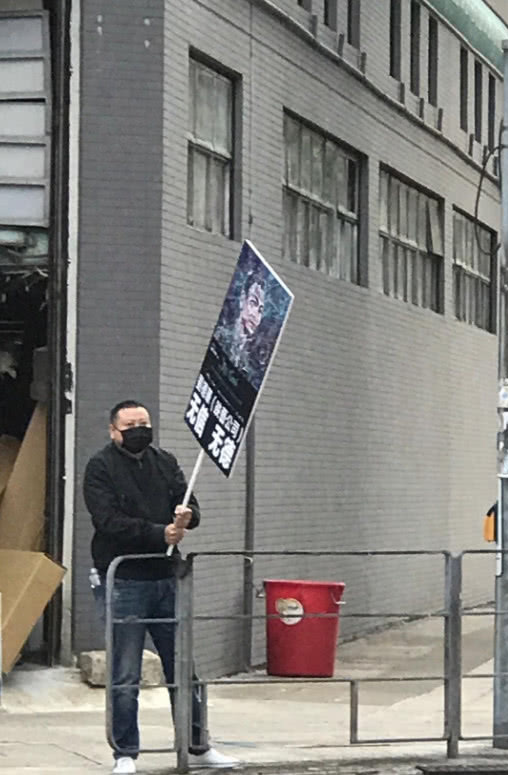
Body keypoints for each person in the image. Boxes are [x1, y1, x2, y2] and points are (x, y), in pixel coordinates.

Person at [83, 399, 239, 774]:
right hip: (124, 580)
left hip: (168, 578)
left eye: (144, 423)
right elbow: (107, 521)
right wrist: (159, 533)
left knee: (184, 668)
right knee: (125, 673)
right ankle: (125, 753)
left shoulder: (165, 461)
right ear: (113, 431)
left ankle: (197, 745)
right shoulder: (100, 467)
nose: (139, 430)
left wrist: (187, 516)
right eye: (130, 425)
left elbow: (189, 502)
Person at [214, 270, 266, 383]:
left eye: (260, 310)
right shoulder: (220, 336)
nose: (255, 315)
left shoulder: (253, 363)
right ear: (243, 299)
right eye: (253, 303)